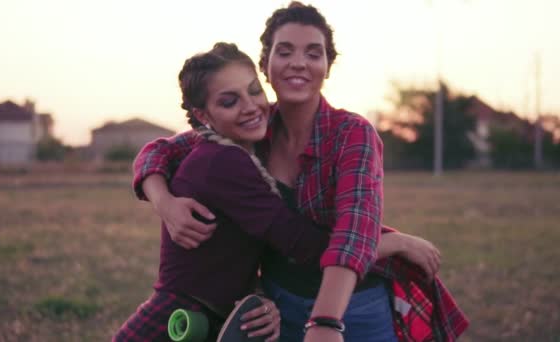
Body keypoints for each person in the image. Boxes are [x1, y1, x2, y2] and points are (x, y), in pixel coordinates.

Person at [133, 3, 468, 342]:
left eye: (313, 52)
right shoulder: (251, 131)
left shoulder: (352, 134)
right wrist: (163, 200)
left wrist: (326, 321)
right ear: (265, 64)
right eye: (285, 51)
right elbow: (161, 150)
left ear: (327, 66)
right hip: (280, 306)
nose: (298, 62)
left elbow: (353, 232)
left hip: (353, 305)